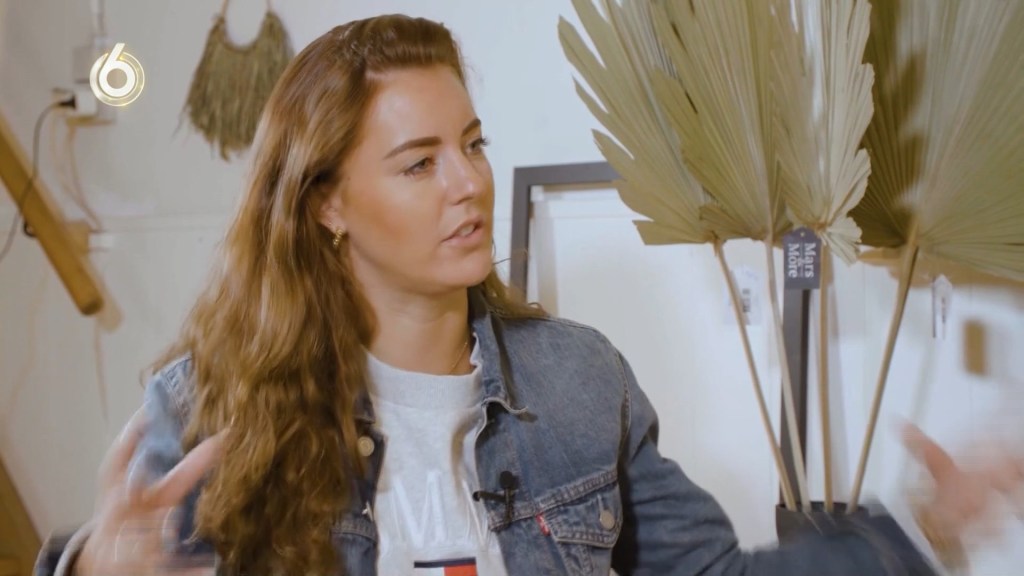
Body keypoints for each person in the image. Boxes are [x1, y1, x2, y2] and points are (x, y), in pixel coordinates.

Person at [34, 13, 1020, 576]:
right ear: (326, 203)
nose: (468, 183)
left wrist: (915, 533)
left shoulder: (581, 381)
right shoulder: (210, 409)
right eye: (419, 163)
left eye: (472, 145)